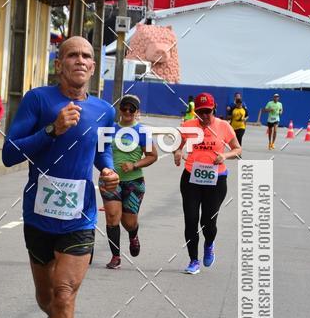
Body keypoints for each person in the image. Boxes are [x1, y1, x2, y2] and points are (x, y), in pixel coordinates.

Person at [2, 36, 119, 318]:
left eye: (87, 55)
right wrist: (52, 130)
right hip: (38, 216)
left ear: (93, 65)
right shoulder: (38, 100)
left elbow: (105, 148)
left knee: (65, 293)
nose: (81, 61)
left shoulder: (103, 110)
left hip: (80, 216)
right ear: (60, 63)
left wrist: (107, 168)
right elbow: (9, 154)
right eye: (73, 55)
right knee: (47, 299)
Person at [174, 91, 242, 275]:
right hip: (190, 178)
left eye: (208, 111)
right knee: (191, 220)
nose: (204, 115)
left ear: (214, 109)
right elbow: (177, 145)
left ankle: (209, 243)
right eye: (201, 112)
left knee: (208, 223)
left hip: (216, 180)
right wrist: (178, 152)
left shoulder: (224, 126)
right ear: (195, 111)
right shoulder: (188, 125)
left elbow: (237, 149)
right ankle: (193, 260)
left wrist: (224, 155)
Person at [100, 94, 158, 269]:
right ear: (120, 109)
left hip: (134, 182)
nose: (127, 111)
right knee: (112, 217)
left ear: (137, 111)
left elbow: (152, 156)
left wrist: (134, 165)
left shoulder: (141, 132)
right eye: (124, 108)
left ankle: (133, 235)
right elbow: (99, 153)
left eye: (131, 109)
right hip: (110, 180)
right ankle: (115, 256)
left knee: (129, 222)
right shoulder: (109, 130)